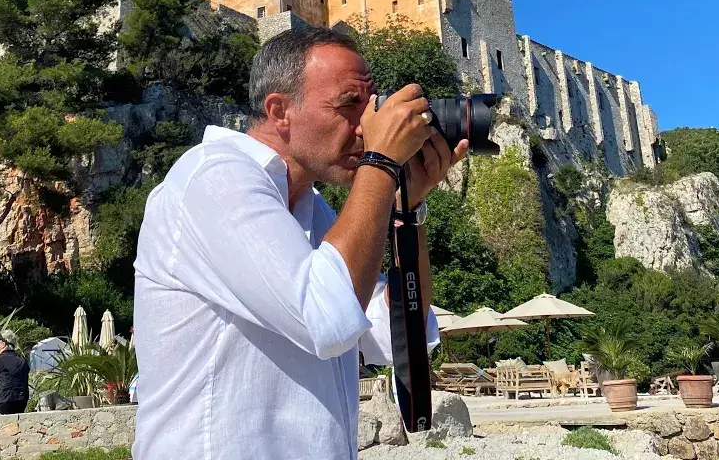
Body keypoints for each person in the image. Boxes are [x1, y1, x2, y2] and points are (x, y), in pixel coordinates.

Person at [132, 27, 467, 459]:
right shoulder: (213, 179)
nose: (368, 126)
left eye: (370, 106)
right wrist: (381, 162)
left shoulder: (317, 212)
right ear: (280, 111)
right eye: (350, 104)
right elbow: (327, 317)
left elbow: (390, 334)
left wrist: (406, 211)